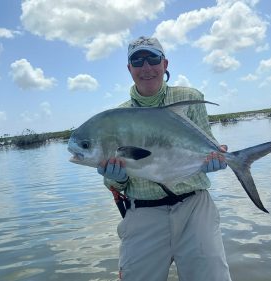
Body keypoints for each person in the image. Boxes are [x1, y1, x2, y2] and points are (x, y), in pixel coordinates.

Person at [97, 36, 232, 281]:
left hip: (194, 208)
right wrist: (113, 179)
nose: (146, 67)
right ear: (129, 69)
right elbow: (116, 186)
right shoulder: (117, 118)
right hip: (143, 212)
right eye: (138, 61)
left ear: (165, 63)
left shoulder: (189, 98)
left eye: (153, 59)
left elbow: (207, 145)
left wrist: (215, 159)